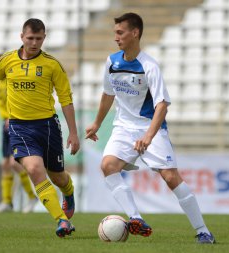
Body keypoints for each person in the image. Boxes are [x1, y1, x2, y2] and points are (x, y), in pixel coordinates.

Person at [85, 13, 216, 244]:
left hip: (149, 127)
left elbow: (162, 106)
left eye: (120, 32)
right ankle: (136, 218)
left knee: (170, 177)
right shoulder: (112, 62)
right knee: (108, 165)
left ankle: (203, 230)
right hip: (123, 127)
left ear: (134, 33)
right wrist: (97, 123)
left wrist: (148, 136)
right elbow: (108, 94)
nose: (116, 37)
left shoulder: (149, 66)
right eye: (115, 32)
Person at [0, 18, 79, 238]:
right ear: (21, 37)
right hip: (19, 127)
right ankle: (61, 220)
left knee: (58, 176)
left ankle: (68, 192)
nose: (34, 43)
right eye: (30, 38)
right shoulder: (7, 61)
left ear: (44, 38)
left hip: (48, 126)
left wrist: (74, 132)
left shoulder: (52, 65)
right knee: (33, 169)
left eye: (38, 39)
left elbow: (66, 99)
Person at [0, 53, 38, 214]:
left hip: (16, 123)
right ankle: (7, 202)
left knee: (14, 163)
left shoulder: (14, 79)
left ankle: (32, 197)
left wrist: (13, 118)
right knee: (5, 164)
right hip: (5, 123)